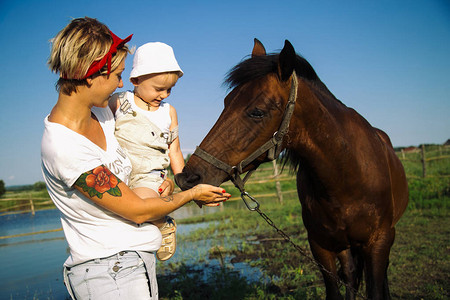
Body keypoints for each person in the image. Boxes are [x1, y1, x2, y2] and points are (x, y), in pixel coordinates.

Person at [41, 17, 229, 300]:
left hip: (131, 264)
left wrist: (166, 182)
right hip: (108, 275)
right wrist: (192, 194)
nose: (120, 82)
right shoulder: (64, 147)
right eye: (116, 74)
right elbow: (138, 210)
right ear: (88, 74)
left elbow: (140, 156)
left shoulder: (104, 115)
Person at [109, 42, 185, 261]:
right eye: (159, 89)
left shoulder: (168, 113)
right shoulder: (118, 102)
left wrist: (181, 180)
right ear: (135, 80)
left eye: (169, 89)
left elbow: (175, 150)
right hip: (119, 172)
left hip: (150, 176)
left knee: (141, 203)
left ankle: (163, 223)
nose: (165, 95)